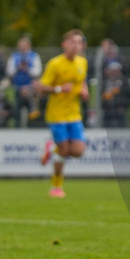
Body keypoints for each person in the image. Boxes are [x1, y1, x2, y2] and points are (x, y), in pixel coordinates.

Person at [36, 30, 89, 198]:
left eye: (79, 42)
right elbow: (40, 87)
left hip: (74, 114)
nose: (76, 45)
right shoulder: (55, 64)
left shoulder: (83, 62)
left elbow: (82, 81)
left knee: (79, 151)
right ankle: (56, 187)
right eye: (72, 42)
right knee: (64, 151)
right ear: (64, 44)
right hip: (56, 115)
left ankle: (51, 149)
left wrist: (84, 90)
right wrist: (58, 88)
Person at [6, 36, 43, 126]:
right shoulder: (14, 56)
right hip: (17, 87)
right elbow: (9, 71)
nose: (23, 47)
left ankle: (32, 127)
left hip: (31, 88)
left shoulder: (34, 56)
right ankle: (17, 127)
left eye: (24, 45)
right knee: (17, 110)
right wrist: (18, 68)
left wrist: (27, 69)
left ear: (28, 46)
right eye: (21, 45)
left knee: (32, 111)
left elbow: (38, 71)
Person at [101, 61, 130, 128]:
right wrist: (104, 106)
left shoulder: (124, 82)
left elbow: (129, 95)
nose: (114, 73)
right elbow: (101, 95)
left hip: (120, 109)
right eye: (113, 71)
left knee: (122, 127)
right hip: (108, 110)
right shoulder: (105, 82)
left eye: (116, 71)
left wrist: (124, 106)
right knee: (106, 127)